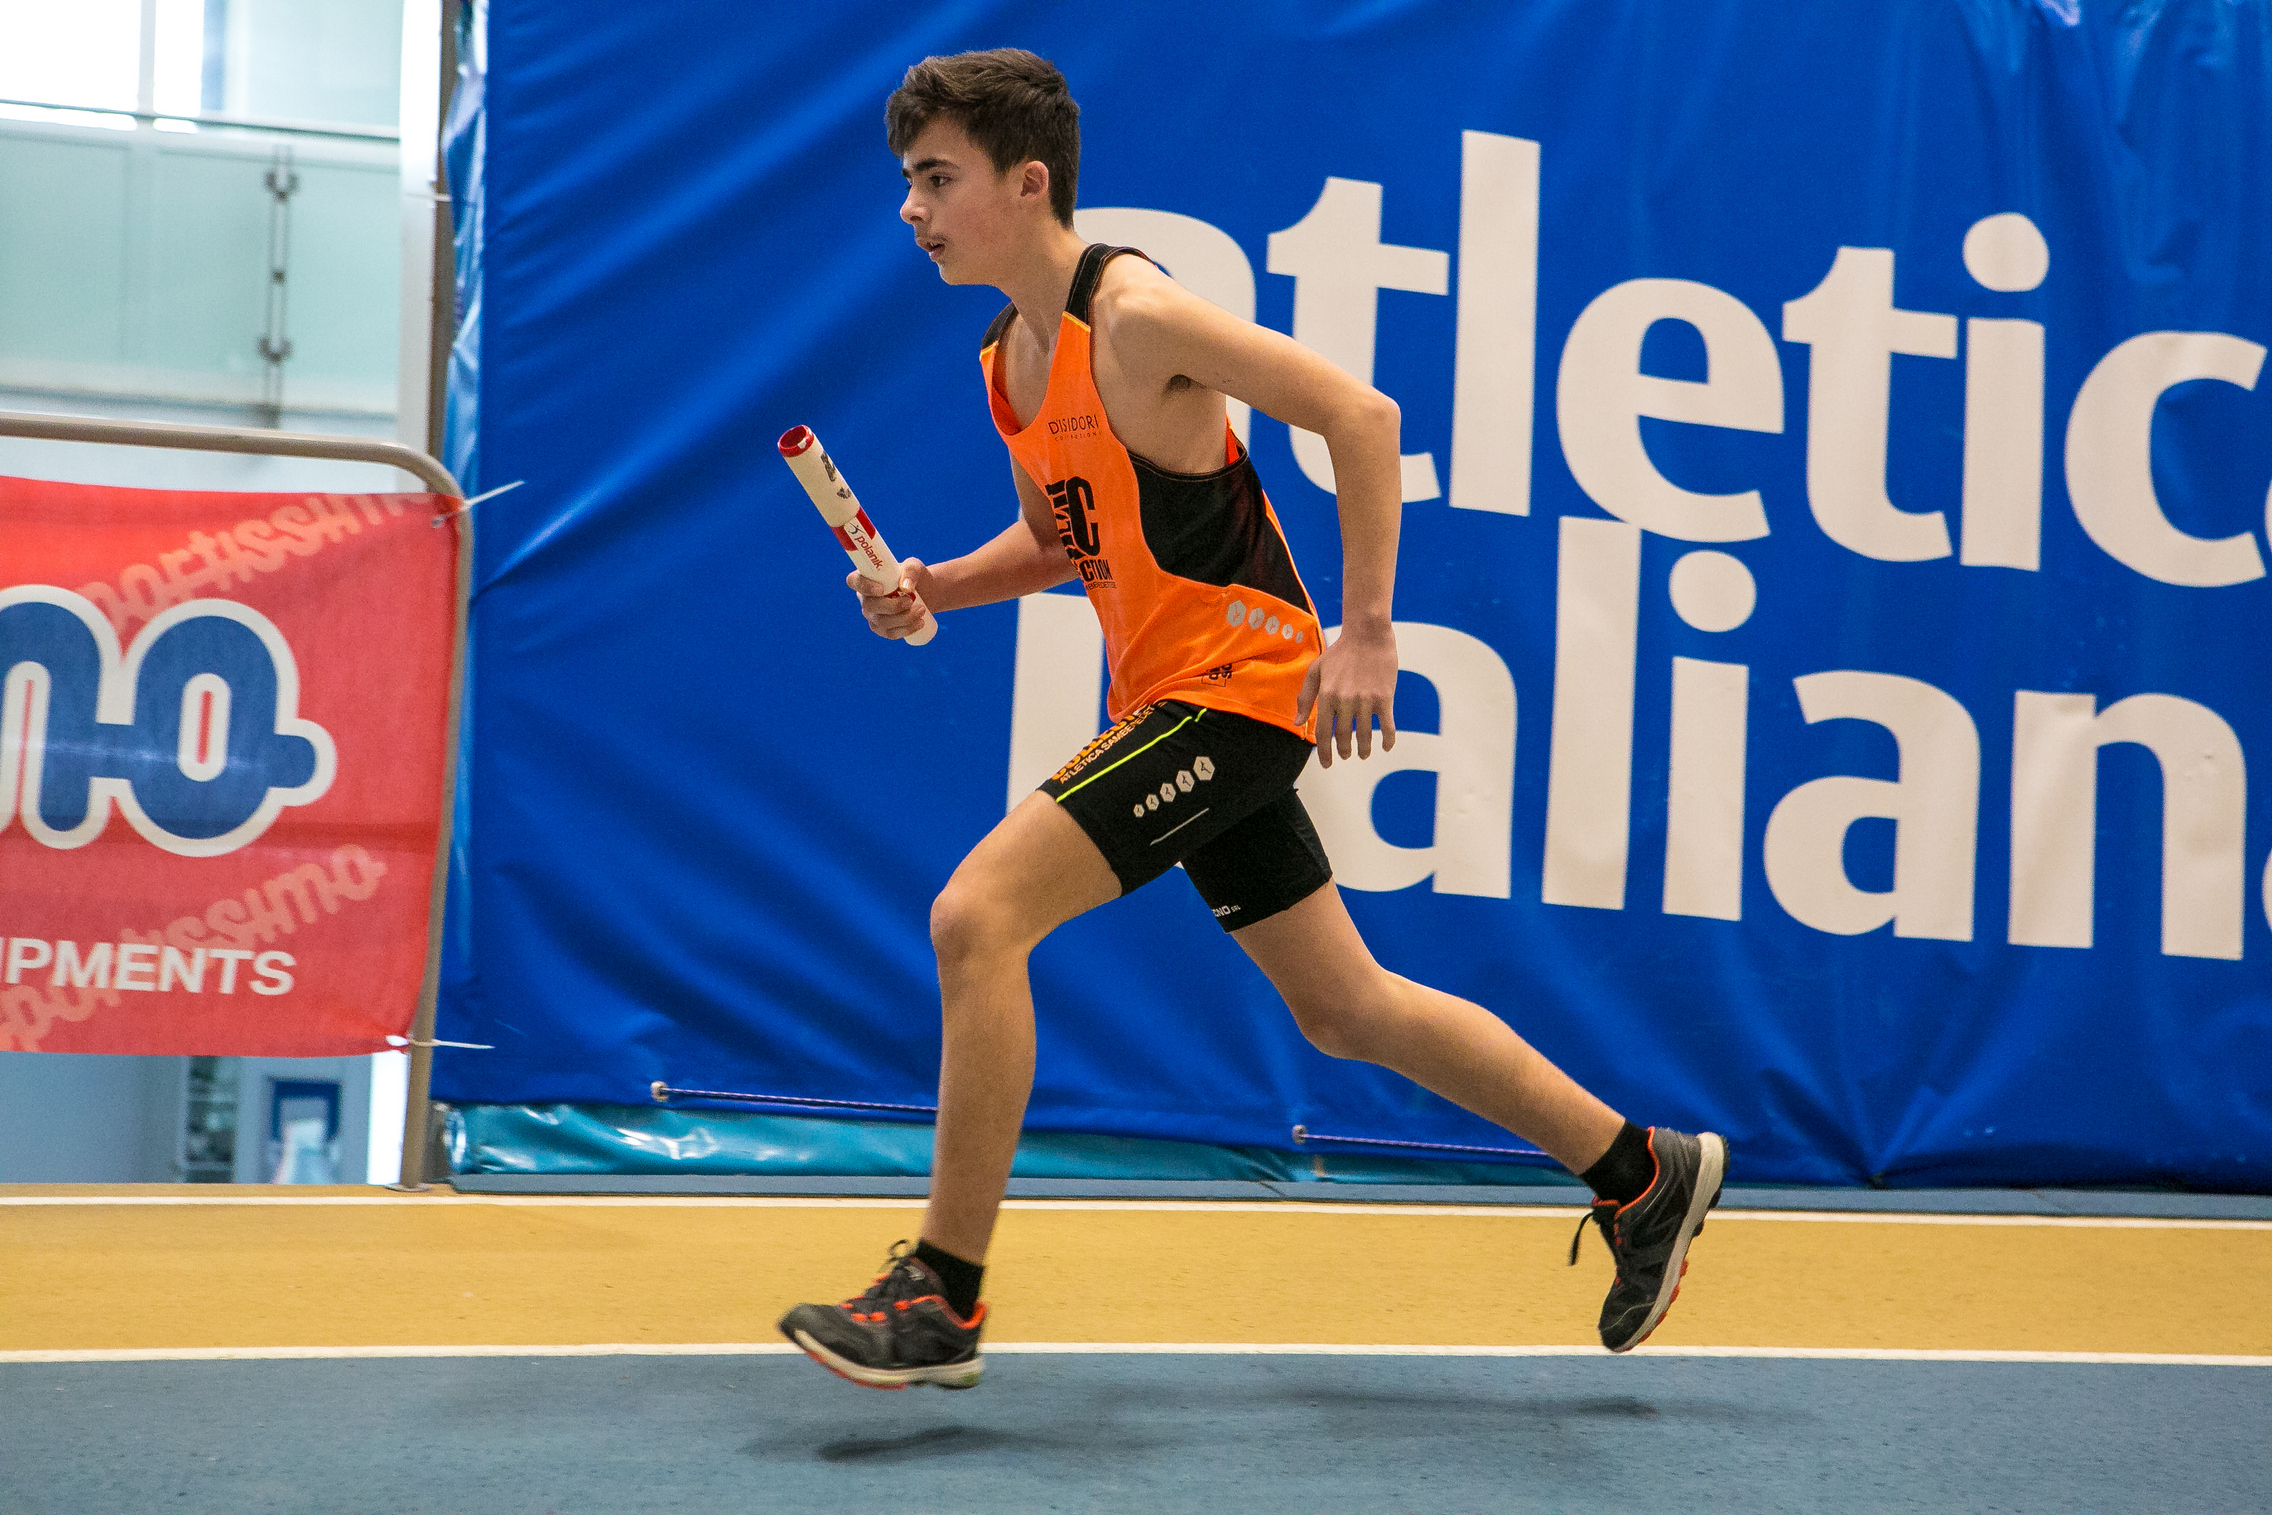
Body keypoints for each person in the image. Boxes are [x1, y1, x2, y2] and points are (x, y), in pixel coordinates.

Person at [777, 48, 1723, 1391]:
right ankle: (1640, 1172)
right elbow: (1060, 538)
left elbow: (1360, 414)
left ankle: (944, 1294)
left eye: (937, 178)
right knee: (1345, 1006)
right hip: (1171, 701)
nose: (912, 208)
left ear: (1027, 182)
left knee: (977, 919)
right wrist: (938, 585)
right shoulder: (1009, 358)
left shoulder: (1136, 314)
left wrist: (1368, 630)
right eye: (909, 182)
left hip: (1237, 691)